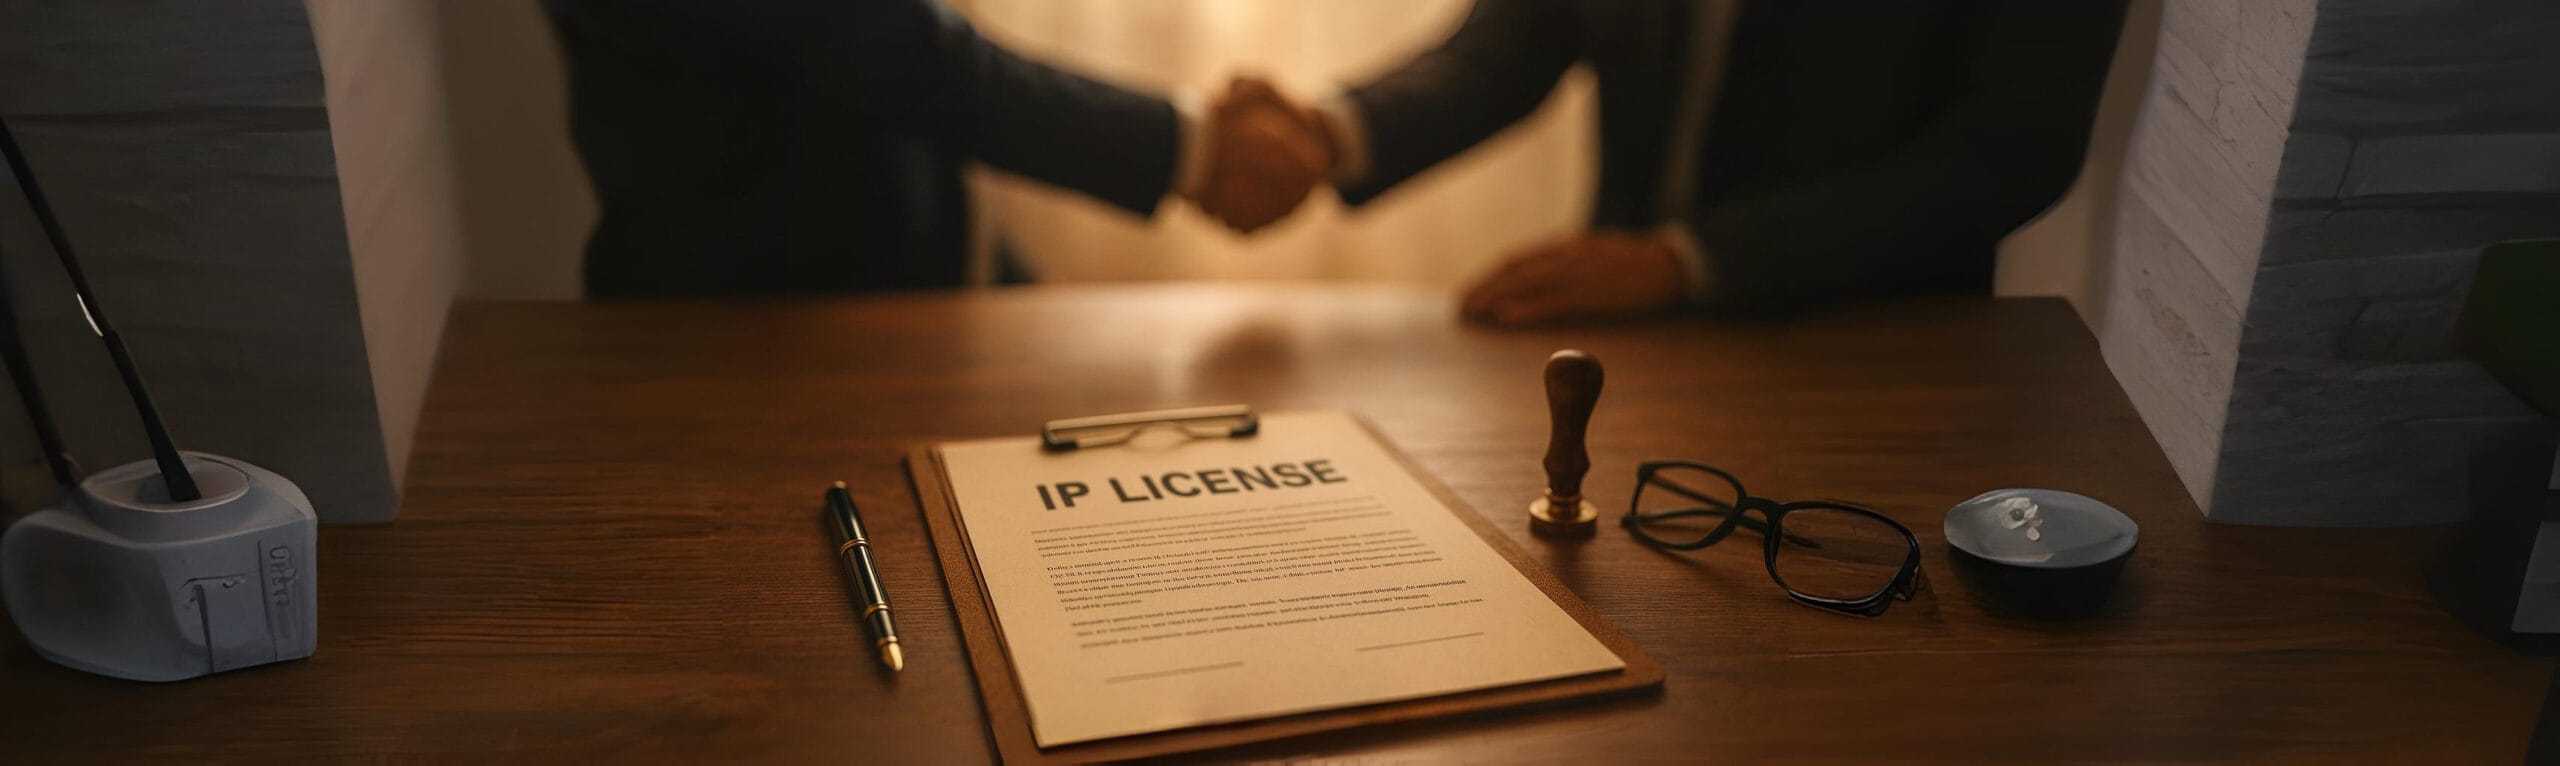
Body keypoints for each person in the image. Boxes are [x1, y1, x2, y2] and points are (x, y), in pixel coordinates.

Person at [1225, 0, 2128, 324]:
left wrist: (1686, 263)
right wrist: (1327, 132)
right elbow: (1507, 45)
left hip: (1876, 361)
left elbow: (2007, 153)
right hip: (1624, 349)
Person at [545, 0, 1330, 298]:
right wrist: (1192, 148)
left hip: (880, 303)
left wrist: (1015, 290)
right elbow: (899, 51)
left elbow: (888, 90)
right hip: (734, 337)